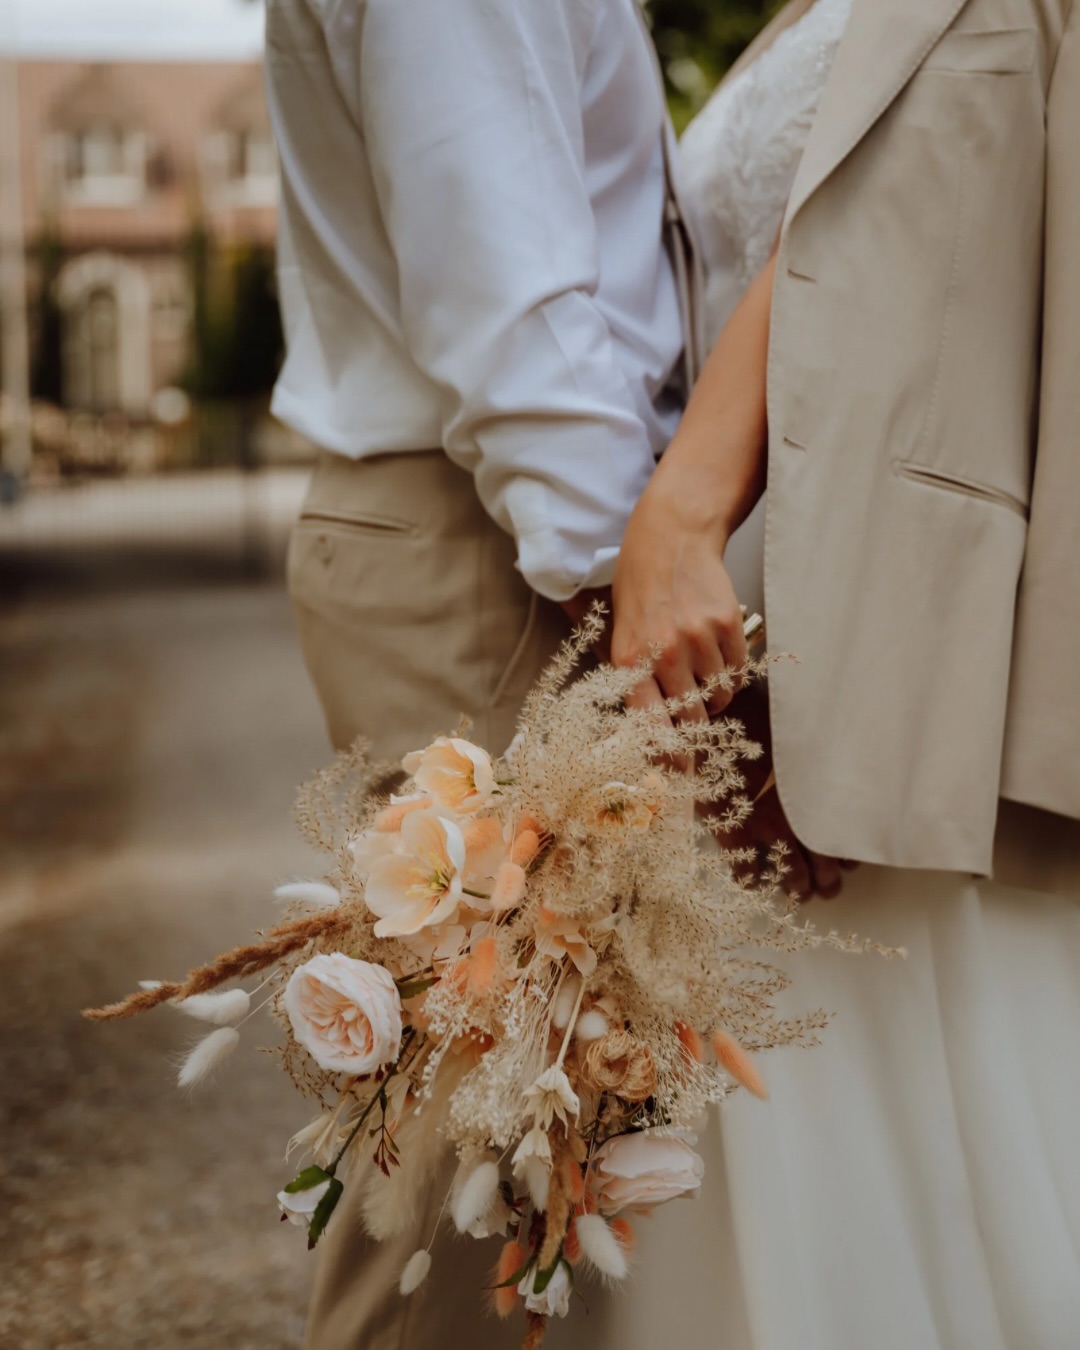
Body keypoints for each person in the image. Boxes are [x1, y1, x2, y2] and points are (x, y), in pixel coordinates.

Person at [599, 0, 1080, 1347]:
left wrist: (709, 530)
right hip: (717, 649)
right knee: (754, 1178)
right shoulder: (805, 15)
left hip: (907, 652)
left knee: (927, 1181)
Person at [261, 0, 699, 1344]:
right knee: (486, 1156)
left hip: (485, 536)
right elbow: (509, 294)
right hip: (503, 552)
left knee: (518, 1139)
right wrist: (634, 600)